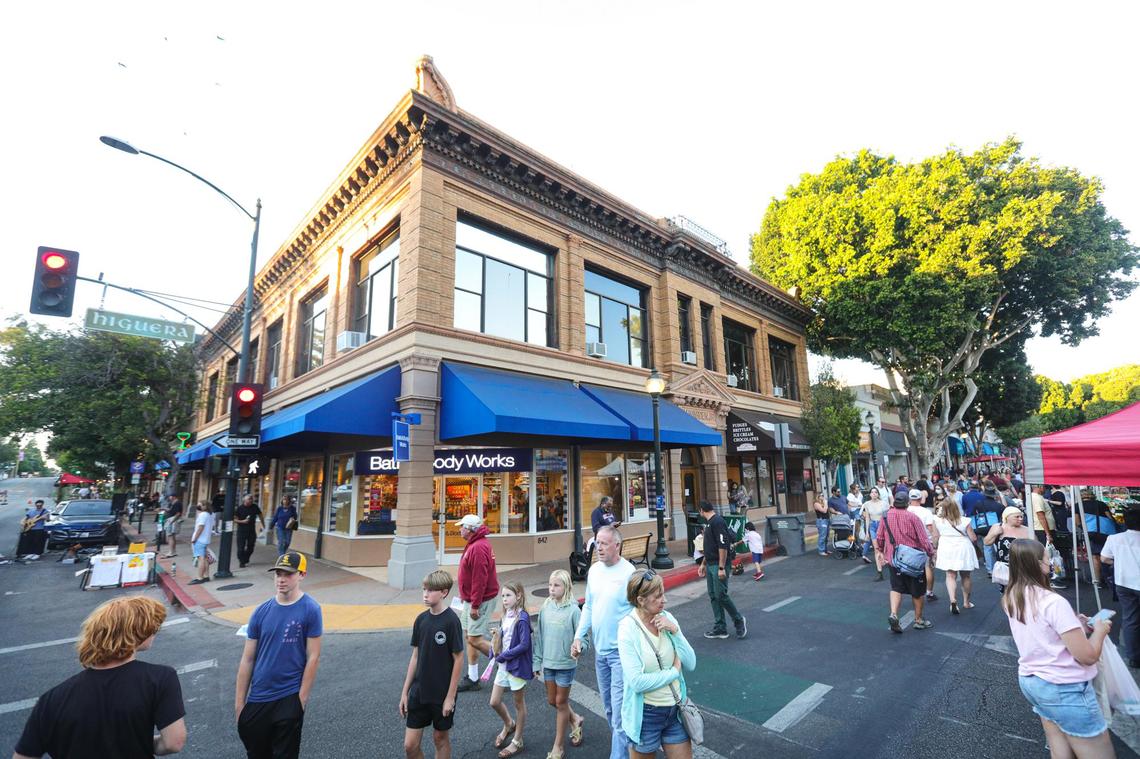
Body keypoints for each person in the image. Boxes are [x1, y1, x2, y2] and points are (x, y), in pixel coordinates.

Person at [13, 595, 187, 759]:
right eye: (153, 628)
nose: (155, 632)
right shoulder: (160, 678)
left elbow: (23, 756)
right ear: (136, 633)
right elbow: (173, 743)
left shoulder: (51, 699)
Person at [1003, 539, 1115, 757]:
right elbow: (1087, 656)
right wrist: (1100, 630)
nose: (1052, 562)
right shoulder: (1053, 602)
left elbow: (1043, 632)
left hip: (1033, 681)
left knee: (1059, 746)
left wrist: (1075, 624)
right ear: (1038, 564)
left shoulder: (1012, 595)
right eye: (1048, 559)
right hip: (1064, 688)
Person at [235, 551, 323, 759]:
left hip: (288, 698)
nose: (281, 579)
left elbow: (313, 656)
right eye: (278, 574)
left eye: (288, 574)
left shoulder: (311, 609)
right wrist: (240, 706)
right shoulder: (260, 612)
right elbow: (248, 659)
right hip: (258, 699)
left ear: (302, 575)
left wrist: (300, 701)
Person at [617, 570, 697, 759]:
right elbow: (637, 682)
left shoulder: (667, 618)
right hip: (646, 715)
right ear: (641, 600)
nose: (665, 600)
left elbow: (691, 663)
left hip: (675, 711)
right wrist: (674, 672)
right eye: (658, 596)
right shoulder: (627, 629)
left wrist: (675, 631)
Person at [572, 525, 635, 759]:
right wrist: (579, 636)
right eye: (597, 542)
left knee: (618, 713)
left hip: (621, 654)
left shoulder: (629, 573)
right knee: (609, 708)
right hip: (601, 653)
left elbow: (638, 612)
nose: (598, 547)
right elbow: (588, 605)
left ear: (616, 545)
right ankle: (627, 748)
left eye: (604, 543)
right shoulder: (595, 570)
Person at [400, 570, 464, 759]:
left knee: (440, 738)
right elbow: (415, 657)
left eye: (430, 590)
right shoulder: (421, 620)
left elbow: (458, 659)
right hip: (419, 692)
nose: (425, 594)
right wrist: (405, 692)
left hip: (442, 693)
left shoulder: (451, 621)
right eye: (424, 589)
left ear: (444, 592)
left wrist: (450, 697)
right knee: (410, 746)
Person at [533, 569, 585, 758]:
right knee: (552, 701)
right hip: (549, 664)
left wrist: (579, 647)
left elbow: (583, 637)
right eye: (550, 585)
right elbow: (539, 636)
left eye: (556, 585)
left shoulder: (573, 610)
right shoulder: (546, 607)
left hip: (565, 665)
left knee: (561, 702)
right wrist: (536, 662)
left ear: (566, 587)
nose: (552, 588)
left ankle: (558, 746)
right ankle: (576, 719)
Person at [875, 491, 936, 633]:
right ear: (907, 503)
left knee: (896, 587)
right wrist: (931, 554)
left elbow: (880, 537)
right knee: (917, 591)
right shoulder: (913, 517)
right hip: (913, 560)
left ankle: (894, 614)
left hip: (894, 559)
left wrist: (880, 551)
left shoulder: (885, 516)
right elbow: (923, 540)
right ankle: (919, 620)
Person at [455, 513, 500, 693]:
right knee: (469, 637)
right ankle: (473, 677)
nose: (460, 529)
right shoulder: (475, 544)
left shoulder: (478, 547)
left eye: (462, 526)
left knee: (474, 638)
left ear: (470, 529)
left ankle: (507, 662)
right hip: (470, 600)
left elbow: (479, 580)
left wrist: (475, 605)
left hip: (479, 601)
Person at [488, 581, 533, 758]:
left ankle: (517, 741)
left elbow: (524, 645)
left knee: (519, 704)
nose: (504, 599)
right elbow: (503, 636)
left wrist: (503, 656)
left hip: (516, 667)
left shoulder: (522, 618)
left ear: (519, 596)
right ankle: (509, 723)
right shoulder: (505, 614)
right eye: (503, 596)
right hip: (503, 666)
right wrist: (494, 647)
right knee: (494, 701)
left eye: (508, 595)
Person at [696, 500, 747, 640]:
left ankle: (738, 620)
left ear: (701, 510)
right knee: (713, 595)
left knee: (721, 595)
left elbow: (722, 546)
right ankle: (720, 627)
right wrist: (703, 564)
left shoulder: (717, 522)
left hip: (718, 565)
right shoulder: (709, 523)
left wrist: (721, 567)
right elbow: (710, 547)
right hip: (711, 563)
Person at [1100, 507, 1140, 668]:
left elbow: (1104, 558)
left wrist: (1119, 562)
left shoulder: (1114, 538)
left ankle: (1133, 657)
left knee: (1130, 619)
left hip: (1123, 583)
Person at [933, 495, 979, 614]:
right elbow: (973, 538)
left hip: (946, 546)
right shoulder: (965, 520)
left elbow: (935, 537)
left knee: (950, 575)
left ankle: (953, 600)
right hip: (962, 546)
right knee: (966, 576)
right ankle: (966, 602)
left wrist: (934, 548)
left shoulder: (937, 520)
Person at [986, 506, 1035, 592]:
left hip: (1023, 567)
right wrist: (994, 533)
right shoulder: (998, 526)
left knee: (1023, 592)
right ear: (1007, 517)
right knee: (1007, 593)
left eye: (1021, 516)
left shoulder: (1027, 530)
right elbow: (987, 542)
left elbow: (1036, 547)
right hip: (1005, 568)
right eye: (1017, 517)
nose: (1020, 519)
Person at [906, 489, 938, 602]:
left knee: (910, 567)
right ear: (920, 499)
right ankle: (929, 592)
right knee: (928, 567)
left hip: (909, 543)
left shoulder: (905, 511)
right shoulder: (926, 512)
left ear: (910, 499)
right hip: (925, 542)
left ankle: (914, 591)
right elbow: (931, 529)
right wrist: (935, 546)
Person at [862, 487, 888, 577]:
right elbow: (867, 518)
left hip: (882, 525)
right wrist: (867, 533)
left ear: (878, 494)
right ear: (870, 494)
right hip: (873, 526)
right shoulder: (866, 504)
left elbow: (887, 517)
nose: (874, 494)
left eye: (876, 492)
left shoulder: (884, 504)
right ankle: (879, 571)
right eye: (872, 492)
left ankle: (884, 558)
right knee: (876, 548)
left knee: (884, 546)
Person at [235, 494, 266, 568]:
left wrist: (263, 525)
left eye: (252, 499)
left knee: (251, 547)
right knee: (240, 548)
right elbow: (234, 519)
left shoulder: (254, 507)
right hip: (241, 530)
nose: (251, 500)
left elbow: (260, 515)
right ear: (244, 500)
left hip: (251, 530)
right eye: (249, 499)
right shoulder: (239, 508)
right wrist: (242, 521)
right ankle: (241, 561)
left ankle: (245, 558)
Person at [188, 502, 214, 585]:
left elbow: (200, 527)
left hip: (200, 539)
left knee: (200, 558)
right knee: (205, 558)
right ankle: (206, 576)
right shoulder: (210, 515)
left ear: (205, 506)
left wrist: (195, 538)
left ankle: (200, 577)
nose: (198, 506)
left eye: (200, 505)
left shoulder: (203, 515)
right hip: (206, 539)